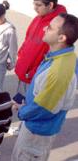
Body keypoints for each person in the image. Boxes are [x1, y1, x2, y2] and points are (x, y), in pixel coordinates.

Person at [11, 13, 78, 161]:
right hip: (43, 128)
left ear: (62, 38)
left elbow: (43, 109)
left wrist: (22, 111)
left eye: (50, 28)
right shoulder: (68, 57)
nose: (45, 29)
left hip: (36, 132)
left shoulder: (57, 71)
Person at [15, 0, 67, 95]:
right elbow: (27, 40)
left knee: (29, 109)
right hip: (24, 73)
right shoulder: (38, 18)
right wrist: (20, 58)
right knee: (19, 106)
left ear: (51, 5)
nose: (34, 8)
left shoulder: (58, 26)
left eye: (38, 5)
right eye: (34, 4)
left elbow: (52, 56)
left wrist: (32, 73)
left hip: (34, 79)